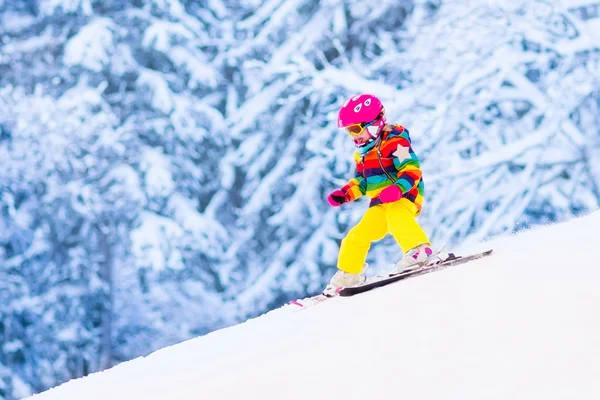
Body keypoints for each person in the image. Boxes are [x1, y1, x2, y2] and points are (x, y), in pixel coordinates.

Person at [324, 93, 434, 296]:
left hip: (405, 196)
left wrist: (398, 189)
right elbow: (363, 182)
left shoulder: (395, 142)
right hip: (380, 202)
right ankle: (350, 274)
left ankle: (420, 251)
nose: (353, 135)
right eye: (349, 131)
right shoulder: (363, 155)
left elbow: (412, 169)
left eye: (356, 129)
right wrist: (345, 194)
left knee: (396, 216)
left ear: (374, 124)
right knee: (356, 236)